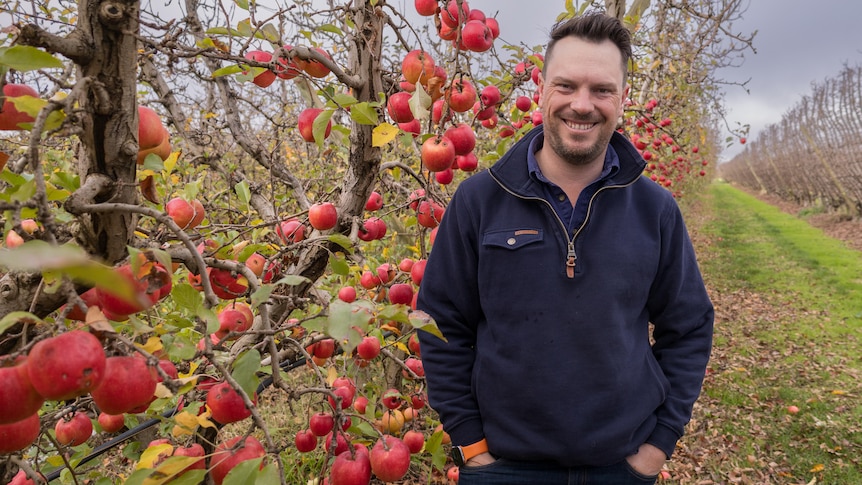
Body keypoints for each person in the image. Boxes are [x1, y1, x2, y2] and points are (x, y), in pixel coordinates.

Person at [415, 11, 715, 485]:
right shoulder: (479, 201)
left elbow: (690, 326)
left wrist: (658, 446)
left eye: (602, 90)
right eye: (566, 86)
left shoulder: (655, 209)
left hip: (622, 467)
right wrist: (470, 444)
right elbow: (440, 324)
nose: (582, 104)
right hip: (503, 468)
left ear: (622, 100)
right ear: (541, 91)